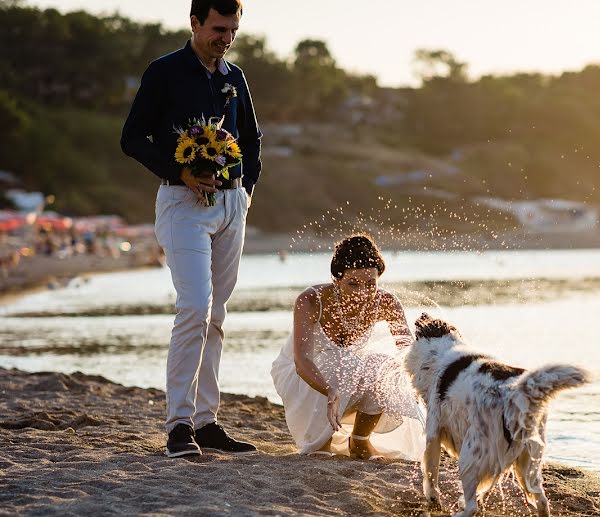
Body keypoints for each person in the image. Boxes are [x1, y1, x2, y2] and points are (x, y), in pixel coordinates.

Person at [120, 0, 262, 458]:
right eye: (219, 28)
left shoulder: (234, 78)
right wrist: (178, 172)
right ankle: (178, 426)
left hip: (231, 204)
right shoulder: (163, 72)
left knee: (217, 314)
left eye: (233, 30)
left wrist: (244, 194)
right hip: (181, 204)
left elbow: (252, 141)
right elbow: (131, 138)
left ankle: (208, 422)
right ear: (196, 22)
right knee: (195, 308)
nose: (226, 37)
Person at [271, 234, 425, 461]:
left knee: (384, 366)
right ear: (337, 280)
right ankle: (321, 442)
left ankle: (360, 440)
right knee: (344, 362)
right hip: (300, 374)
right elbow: (301, 361)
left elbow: (409, 354)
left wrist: (423, 389)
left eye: (371, 284)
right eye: (353, 284)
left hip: (345, 373)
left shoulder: (386, 303)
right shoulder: (311, 300)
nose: (363, 293)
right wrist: (329, 391)